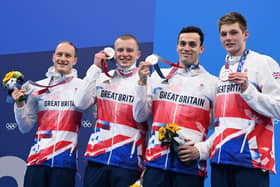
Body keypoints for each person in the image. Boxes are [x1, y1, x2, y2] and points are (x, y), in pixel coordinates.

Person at [193, 12, 280, 187]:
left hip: (250, 160)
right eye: (224, 34)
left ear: (245, 34)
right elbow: (224, 123)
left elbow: (278, 109)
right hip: (221, 159)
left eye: (234, 32)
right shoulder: (223, 69)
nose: (228, 38)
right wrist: (204, 149)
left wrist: (248, 90)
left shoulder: (263, 63)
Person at [133, 26, 218, 187]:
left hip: (189, 168)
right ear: (177, 46)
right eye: (182, 43)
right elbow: (140, 116)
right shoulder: (158, 77)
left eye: (192, 44)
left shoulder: (212, 83)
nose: (186, 48)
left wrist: (201, 150)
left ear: (201, 49)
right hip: (155, 163)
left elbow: (222, 127)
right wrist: (142, 84)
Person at [12, 41, 90, 187]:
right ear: (53, 57)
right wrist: (19, 104)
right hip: (37, 160)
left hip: (64, 162)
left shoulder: (82, 87)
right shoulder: (36, 87)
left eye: (68, 55)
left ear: (75, 60)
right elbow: (25, 127)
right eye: (59, 54)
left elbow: (96, 116)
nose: (63, 58)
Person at [74, 34, 147, 187]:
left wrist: (148, 163)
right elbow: (80, 103)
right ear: (113, 53)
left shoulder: (146, 82)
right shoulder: (101, 78)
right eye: (120, 50)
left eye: (129, 50)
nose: (124, 54)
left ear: (138, 54)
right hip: (97, 158)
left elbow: (148, 120)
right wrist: (95, 68)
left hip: (128, 162)